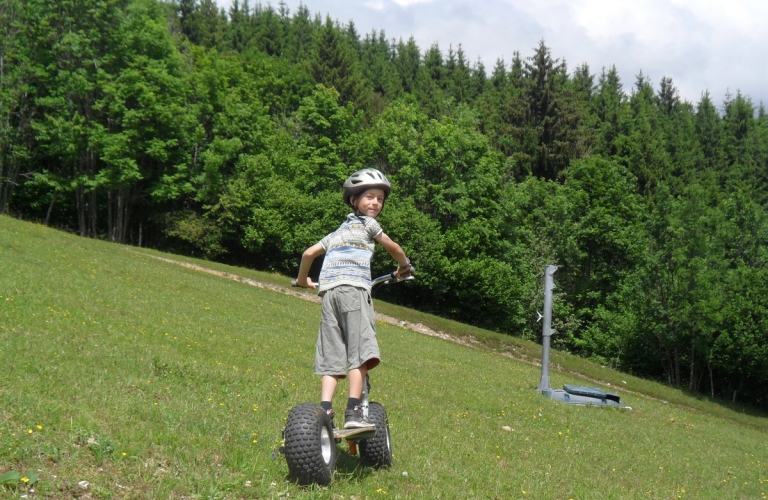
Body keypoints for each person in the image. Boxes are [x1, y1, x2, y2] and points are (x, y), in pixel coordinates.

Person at [295, 168, 413, 429]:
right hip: (354, 292)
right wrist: (405, 266)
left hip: (329, 294)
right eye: (369, 197)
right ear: (353, 200)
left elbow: (308, 254)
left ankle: (324, 411)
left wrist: (303, 280)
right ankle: (354, 412)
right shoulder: (368, 225)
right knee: (359, 353)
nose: (375, 203)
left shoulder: (336, 233)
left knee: (332, 352)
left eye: (380, 199)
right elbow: (393, 247)